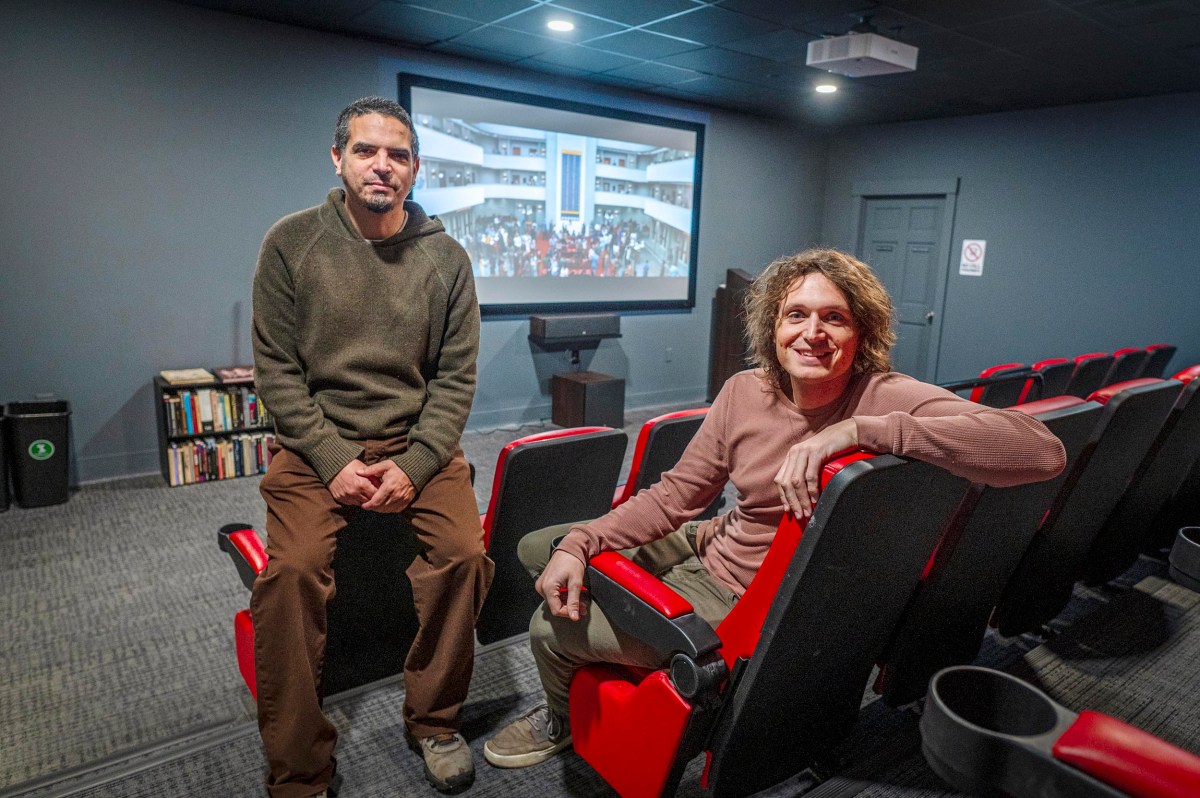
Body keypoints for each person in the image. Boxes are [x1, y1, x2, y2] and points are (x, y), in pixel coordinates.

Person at [483, 248, 1066, 768]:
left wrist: (862, 430)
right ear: (773, 326)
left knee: (549, 627)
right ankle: (625, 627)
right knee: (542, 549)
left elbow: (1042, 451)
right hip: (712, 539)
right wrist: (582, 542)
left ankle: (563, 717)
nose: (813, 333)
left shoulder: (884, 395)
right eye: (796, 315)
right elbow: (675, 496)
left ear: (861, 332)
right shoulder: (745, 390)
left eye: (834, 317)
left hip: (740, 597)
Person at [251, 96, 493, 797]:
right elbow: (276, 372)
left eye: (398, 154)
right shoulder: (291, 243)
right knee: (291, 573)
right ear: (338, 159)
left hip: (417, 441)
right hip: (315, 445)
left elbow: (455, 379)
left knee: (465, 556)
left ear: (416, 168)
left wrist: (415, 465)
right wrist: (333, 461)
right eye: (366, 150)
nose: (382, 165)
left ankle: (435, 721)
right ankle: (300, 767)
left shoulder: (446, 259)